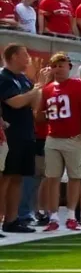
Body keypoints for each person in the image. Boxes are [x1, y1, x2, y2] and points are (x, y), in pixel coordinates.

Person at [40, 52, 81, 231]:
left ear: (69, 67)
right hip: (53, 137)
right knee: (52, 178)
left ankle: (71, 215)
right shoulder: (47, 89)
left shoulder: (78, 85)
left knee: (74, 178)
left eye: (61, 65)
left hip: (73, 138)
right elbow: (39, 115)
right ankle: (53, 216)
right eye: (54, 66)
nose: (57, 69)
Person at [1, 44, 46, 235]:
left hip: (26, 133)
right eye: (24, 55)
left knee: (18, 178)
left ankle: (12, 220)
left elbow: (34, 106)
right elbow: (16, 102)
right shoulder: (4, 78)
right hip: (10, 135)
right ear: (13, 57)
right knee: (5, 178)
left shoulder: (24, 80)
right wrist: (36, 88)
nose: (28, 58)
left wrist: (38, 87)